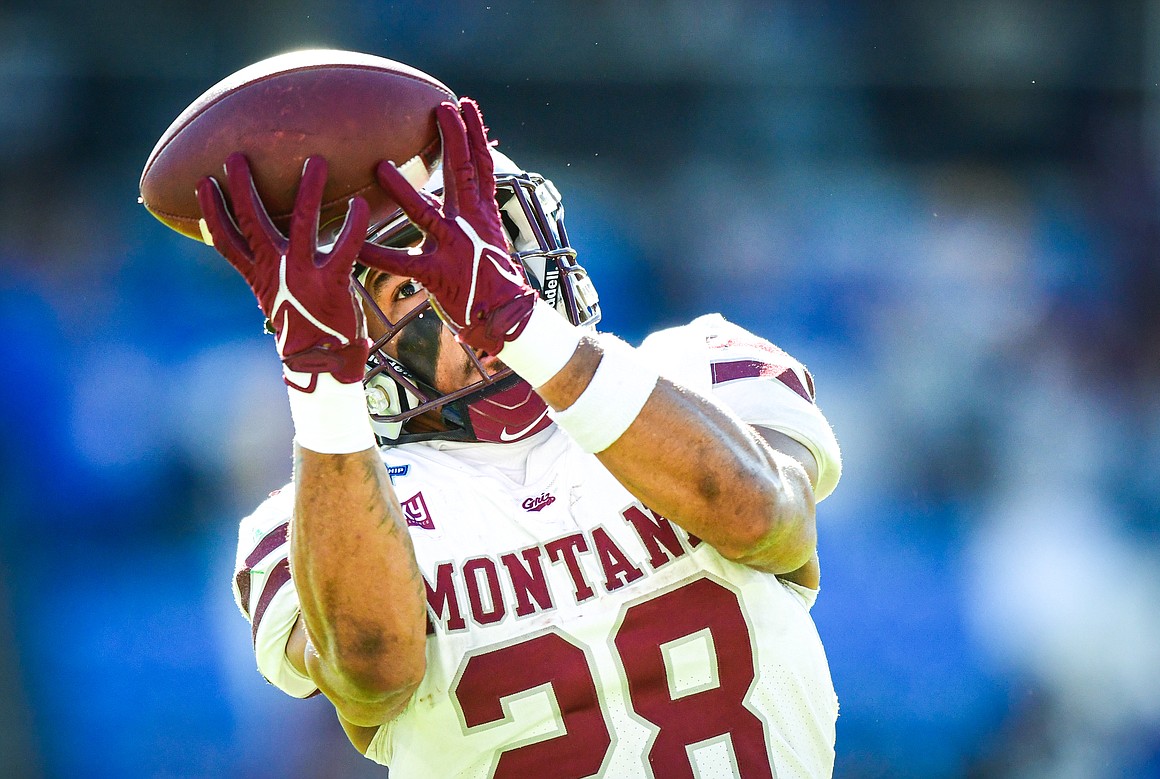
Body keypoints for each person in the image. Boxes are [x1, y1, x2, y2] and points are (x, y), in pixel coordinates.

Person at [206, 87, 843, 777]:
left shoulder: (699, 365)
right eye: (413, 283)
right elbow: (374, 673)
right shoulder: (309, 519)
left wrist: (522, 327)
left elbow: (767, 518)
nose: (457, 291)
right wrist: (323, 386)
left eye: (481, 246)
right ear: (365, 338)